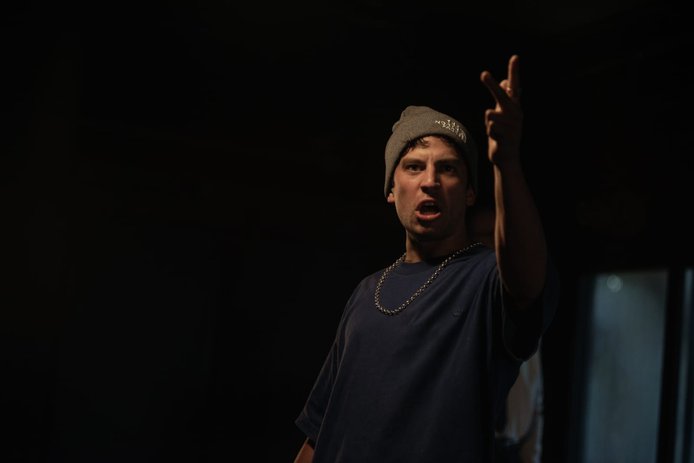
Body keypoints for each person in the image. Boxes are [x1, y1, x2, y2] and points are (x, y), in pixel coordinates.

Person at [293, 54, 559, 462]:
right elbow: (319, 432)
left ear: (469, 193)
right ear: (391, 189)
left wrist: (506, 162)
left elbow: (526, 283)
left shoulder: (486, 279)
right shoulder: (366, 293)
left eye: (448, 169)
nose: (430, 181)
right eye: (414, 167)